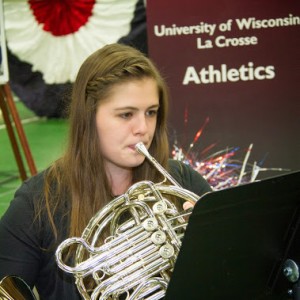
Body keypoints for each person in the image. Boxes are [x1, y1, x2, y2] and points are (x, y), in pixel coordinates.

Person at [0, 43, 212, 299]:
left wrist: (207, 243)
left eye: (151, 112)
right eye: (126, 115)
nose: (143, 128)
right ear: (88, 117)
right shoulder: (37, 202)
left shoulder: (182, 182)